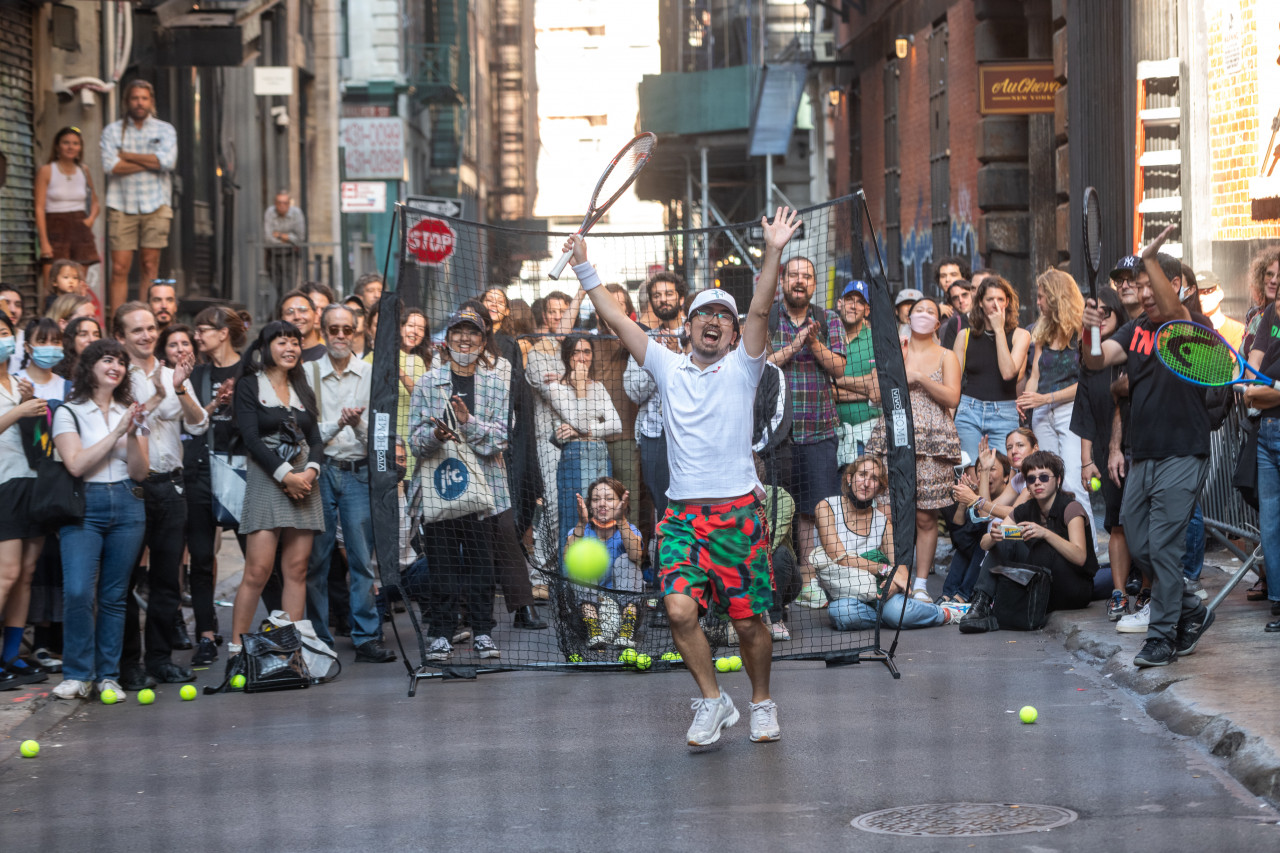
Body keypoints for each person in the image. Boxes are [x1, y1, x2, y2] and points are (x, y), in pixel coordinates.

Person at [563, 206, 801, 747]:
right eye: (704, 315)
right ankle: (713, 701)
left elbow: (762, 305)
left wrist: (774, 249)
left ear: (735, 330)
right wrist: (584, 265)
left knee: (747, 624)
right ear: (688, 327)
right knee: (676, 607)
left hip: (738, 513)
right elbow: (619, 322)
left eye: (724, 315)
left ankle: (761, 702)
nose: (713, 320)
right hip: (682, 516)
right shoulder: (667, 366)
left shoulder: (746, 366)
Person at [1081, 226, 1215, 667]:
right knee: (1139, 543)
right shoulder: (1136, 331)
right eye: (1136, 285)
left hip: (1183, 452)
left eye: (1147, 282)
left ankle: (1162, 638)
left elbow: (1174, 312)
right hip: (1145, 454)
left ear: (1170, 284)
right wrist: (1089, 332)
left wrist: (1151, 256)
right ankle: (1192, 609)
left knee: (1164, 546)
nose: (1140, 291)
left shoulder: (1191, 326)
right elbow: (1097, 361)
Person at [409, 306, 510, 662]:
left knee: (483, 563)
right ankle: (440, 632)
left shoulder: (497, 384)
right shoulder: (426, 383)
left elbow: (499, 439)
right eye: (458, 332)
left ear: (483, 342)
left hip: (485, 490)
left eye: (473, 333)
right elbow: (415, 442)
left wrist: (467, 423)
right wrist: (436, 434)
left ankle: (482, 631)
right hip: (440, 488)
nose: (464, 339)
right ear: (447, 339)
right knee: (442, 563)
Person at [50, 339, 149, 700]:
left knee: (113, 595)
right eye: (108, 359)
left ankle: (108, 675)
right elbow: (75, 463)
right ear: (90, 366)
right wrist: (118, 431)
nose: (116, 367)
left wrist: (136, 433)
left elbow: (140, 472)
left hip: (127, 502)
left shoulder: (130, 410)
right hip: (84, 505)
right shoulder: (69, 411)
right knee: (78, 590)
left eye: (122, 362)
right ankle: (78, 673)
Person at [117, 303, 208, 687]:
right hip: (130, 487)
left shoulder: (175, 374)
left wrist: (180, 387)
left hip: (171, 484)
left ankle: (159, 659)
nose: (146, 335)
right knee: (122, 580)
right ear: (121, 337)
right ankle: (128, 664)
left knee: (167, 578)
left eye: (150, 327)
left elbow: (199, 424)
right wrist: (155, 396)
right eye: (136, 330)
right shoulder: (115, 376)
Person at [302, 304, 394, 663]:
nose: (340, 336)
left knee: (361, 560)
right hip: (320, 471)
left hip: (358, 471)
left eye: (346, 330)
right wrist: (339, 424)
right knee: (316, 560)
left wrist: (355, 424)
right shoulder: (308, 373)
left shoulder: (371, 373)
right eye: (333, 329)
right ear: (323, 332)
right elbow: (306, 432)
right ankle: (318, 638)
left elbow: (380, 434)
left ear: (356, 333)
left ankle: (366, 637)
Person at [227, 321, 324, 662]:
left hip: (305, 484)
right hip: (268, 480)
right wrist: (286, 476)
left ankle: (294, 652)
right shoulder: (249, 385)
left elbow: (315, 439)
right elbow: (251, 439)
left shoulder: (303, 385)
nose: (290, 348)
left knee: (297, 570)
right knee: (258, 571)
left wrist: (310, 472)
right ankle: (236, 650)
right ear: (265, 347)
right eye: (282, 342)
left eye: (295, 343)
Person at [867, 297, 962, 599]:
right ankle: (897, 575)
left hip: (931, 442)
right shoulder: (896, 350)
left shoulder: (947, 355)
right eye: (918, 310)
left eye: (930, 311)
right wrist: (899, 361)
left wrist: (920, 377)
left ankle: (920, 584)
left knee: (924, 516)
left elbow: (952, 398)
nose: (923, 314)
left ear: (938, 322)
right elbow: (873, 393)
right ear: (907, 317)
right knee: (887, 512)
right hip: (893, 435)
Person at [768, 255, 848, 610]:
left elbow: (840, 368)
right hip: (775, 432)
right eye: (794, 275)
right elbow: (759, 362)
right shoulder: (767, 317)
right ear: (783, 281)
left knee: (815, 509)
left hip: (819, 428)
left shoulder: (829, 318)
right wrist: (796, 344)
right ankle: (779, 581)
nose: (800, 281)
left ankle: (811, 577)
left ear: (814, 285)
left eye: (807, 276)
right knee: (777, 508)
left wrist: (814, 344)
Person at [815, 456, 964, 631]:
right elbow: (839, 557)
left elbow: (900, 566)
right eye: (862, 475)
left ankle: (944, 613)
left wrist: (894, 583)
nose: (867, 483)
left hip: (879, 591)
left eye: (874, 479)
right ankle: (893, 618)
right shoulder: (826, 507)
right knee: (842, 614)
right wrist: (884, 570)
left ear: (880, 487)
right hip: (847, 593)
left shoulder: (882, 522)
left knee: (896, 611)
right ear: (849, 478)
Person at [959, 450, 1099, 633]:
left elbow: (1080, 556)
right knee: (1006, 538)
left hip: (1073, 587)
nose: (1037, 482)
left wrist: (1045, 533)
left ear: (1057, 480)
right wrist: (994, 537)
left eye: (1043, 477)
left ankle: (999, 611)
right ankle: (980, 603)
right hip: (1041, 580)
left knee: (1041, 545)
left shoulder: (1071, 508)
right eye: (1031, 479)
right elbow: (985, 545)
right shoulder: (1025, 509)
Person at [185, 306, 247, 667]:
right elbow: (190, 421)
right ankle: (206, 635)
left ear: (223, 332)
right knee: (202, 558)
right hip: (200, 472)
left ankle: (275, 629)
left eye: (203, 329)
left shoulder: (248, 371)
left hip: (239, 471)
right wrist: (211, 403)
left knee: (254, 555)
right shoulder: (196, 374)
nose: (198, 336)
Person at [1070, 287, 1133, 620]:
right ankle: (1119, 593)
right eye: (1091, 311)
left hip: (1136, 447)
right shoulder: (1090, 361)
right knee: (1116, 524)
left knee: (1140, 525)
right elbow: (1084, 414)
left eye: (1105, 311)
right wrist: (1086, 460)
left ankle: (1148, 591)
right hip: (1103, 452)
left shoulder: (1130, 350)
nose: (1099, 317)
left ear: (1118, 314)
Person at [1017, 268, 1095, 536]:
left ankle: (1088, 553)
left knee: (1074, 483)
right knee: (1049, 484)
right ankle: (1059, 545)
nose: (1037, 302)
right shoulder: (1043, 330)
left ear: (1056, 296)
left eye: (1041, 297)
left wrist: (1044, 397)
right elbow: (1035, 373)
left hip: (1071, 411)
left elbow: (1086, 383)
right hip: (1041, 413)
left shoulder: (1083, 331)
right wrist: (1028, 399)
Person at [0, 312, 52, 689]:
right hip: (3, 484)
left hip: (31, 481)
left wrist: (29, 406)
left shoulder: (18, 382)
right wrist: (18, 410)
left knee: (27, 575)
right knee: (6, 574)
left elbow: (37, 438)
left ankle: (12, 655)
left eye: (4, 332)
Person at [100, 80, 177, 311]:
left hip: (156, 204)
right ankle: (118, 326)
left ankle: (146, 320)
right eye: (135, 98)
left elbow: (167, 162)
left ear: (151, 101)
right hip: (121, 204)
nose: (139, 103)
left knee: (149, 265)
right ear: (127, 101)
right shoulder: (112, 131)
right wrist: (150, 162)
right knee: (119, 268)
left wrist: (128, 156)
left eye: (144, 98)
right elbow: (110, 166)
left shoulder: (165, 129)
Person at [548, 333, 622, 551]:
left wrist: (588, 431)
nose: (582, 357)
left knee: (602, 520)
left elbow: (616, 424)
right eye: (576, 352)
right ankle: (571, 584)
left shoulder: (598, 387)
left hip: (600, 455)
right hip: (575, 457)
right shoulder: (556, 389)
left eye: (586, 351)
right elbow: (579, 421)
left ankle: (599, 581)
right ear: (567, 356)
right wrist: (580, 389)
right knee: (575, 520)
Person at [952, 275, 1032, 464]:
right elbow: (952, 383)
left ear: (1008, 302)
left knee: (1004, 473)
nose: (995, 305)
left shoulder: (1020, 335)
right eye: (990, 299)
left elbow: (1008, 373)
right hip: (968, 411)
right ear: (980, 302)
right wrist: (948, 419)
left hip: (1003, 413)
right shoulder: (965, 336)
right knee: (969, 470)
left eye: (1000, 300)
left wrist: (999, 330)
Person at [1242, 270, 1280, 633]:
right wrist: (1259, 388)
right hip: (1267, 430)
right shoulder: (1270, 315)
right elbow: (1251, 378)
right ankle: (1279, 604)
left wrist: (1263, 390)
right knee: (1269, 526)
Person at [567, 477, 644, 650]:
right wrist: (581, 522)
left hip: (623, 609)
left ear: (621, 504)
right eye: (595, 499)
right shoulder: (579, 531)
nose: (602, 504)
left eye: (609, 499)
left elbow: (636, 555)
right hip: (586, 613)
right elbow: (567, 558)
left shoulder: (630, 530)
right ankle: (594, 632)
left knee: (628, 560)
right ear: (589, 505)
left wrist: (621, 520)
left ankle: (626, 632)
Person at [35, 126, 100, 297]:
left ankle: (77, 320)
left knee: (79, 285)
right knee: (53, 285)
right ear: (57, 146)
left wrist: (90, 220)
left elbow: (95, 202)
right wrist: (44, 242)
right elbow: (39, 208)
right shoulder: (47, 170)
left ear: (80, 147)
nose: (71, 147)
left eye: (75, 143)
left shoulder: (84, 171)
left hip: (80, 227)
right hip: (55, 227)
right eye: (66, 143)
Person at [940, 453, 1010, 604]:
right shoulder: (977, 496)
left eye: (992, 469)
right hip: (981, 548)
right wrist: (964, 502)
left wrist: (974, 500)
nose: (985, 474)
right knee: (966, 545)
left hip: (1005, 549)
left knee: (982, 540)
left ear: (1006, 477)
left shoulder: (1009, 498)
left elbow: (986, 515)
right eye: (981, 470)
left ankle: (963, 596)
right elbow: (960, 540)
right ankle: (949, 594)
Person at [832, 279, 880, 465]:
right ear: (839, 303)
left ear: (867, 310)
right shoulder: (829, 337)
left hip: (868, 435)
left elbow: (877, 390)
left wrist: (837, 379)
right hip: (833, 436)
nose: (853, 306)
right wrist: (866, 387)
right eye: (849, 299)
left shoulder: (876, 340)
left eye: (860, 302)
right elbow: (825, 391)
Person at [264, 190, 306, 290]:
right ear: (275, 204)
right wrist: (289, 239)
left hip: (290, 255)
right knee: (277, 288)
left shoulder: (296, 213)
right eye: (279, 203)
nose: (282, 206)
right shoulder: (270, 212)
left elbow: (300, 238)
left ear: (289, 204)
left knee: (289, 287)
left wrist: (279, 235)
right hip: (273, 255)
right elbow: (268, 238)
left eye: (285, 203)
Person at [1195, 269, 1245, 350]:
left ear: (1220, 294)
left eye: (1206, 292)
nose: (1200, 298)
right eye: (1196, 293)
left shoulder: (1237, 330)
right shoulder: (1186, 328)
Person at [278, 290, 326, 362]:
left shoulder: (328, 356)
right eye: (289, 312)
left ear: (315, 315)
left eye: (303, 310)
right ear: (281, 319)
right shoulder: (276, 356)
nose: (297, 317)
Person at [939, 278, 975, 350]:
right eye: (955, 298)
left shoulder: (987, 318)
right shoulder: (952, 325)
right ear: (951, 302)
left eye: (965, 295)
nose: (961, 300)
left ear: (973, 294)